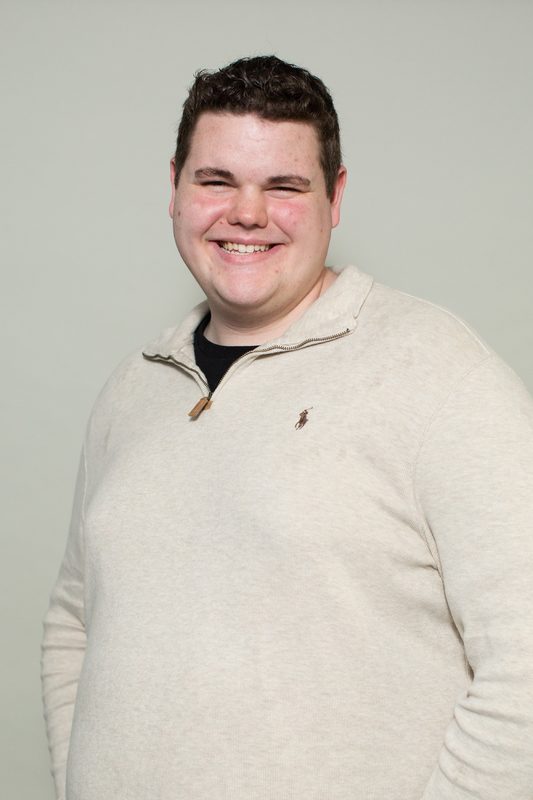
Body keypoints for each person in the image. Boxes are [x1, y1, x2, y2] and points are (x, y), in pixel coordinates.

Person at [41, 55, 533, 800]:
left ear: (335, 197)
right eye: (216, 181)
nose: (247, 213)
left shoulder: (439, 375)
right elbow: (73, 623)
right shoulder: (132, 389)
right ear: (174, 189)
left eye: (284, 186)